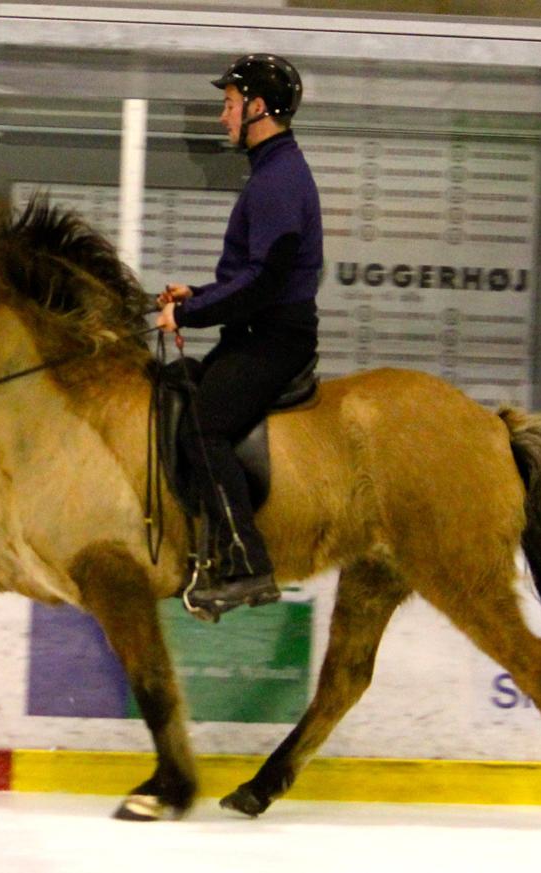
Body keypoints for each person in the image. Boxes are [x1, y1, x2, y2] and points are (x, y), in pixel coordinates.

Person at [157, 53, 323, 616]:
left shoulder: (278, 180)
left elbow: (264, 281)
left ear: (257, 108)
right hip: (259, 330)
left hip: (273, 338)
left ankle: (245, 563)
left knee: (202, 430)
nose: (223, 118)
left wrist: (190, 315)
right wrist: (197, 297)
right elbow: (253, 276)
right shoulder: (274, 173)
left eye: (229, 106)